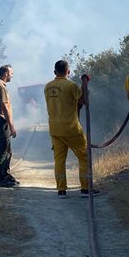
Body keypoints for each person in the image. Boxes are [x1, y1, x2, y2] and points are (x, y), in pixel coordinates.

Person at [44, 60, 100, 199]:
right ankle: (86, 189)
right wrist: (85, 84)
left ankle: (61, 190)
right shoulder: (71, 85)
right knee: (84, 156)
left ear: (54, 72)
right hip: (71, 128)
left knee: (59, 160)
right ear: (68, 72)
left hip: (55, 130)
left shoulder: (47, 87)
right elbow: (85, 101)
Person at [0, 64, 20, 187]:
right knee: (4, 151)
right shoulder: (1, 87)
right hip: (2, 123)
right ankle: (2, 178)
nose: (12, 75)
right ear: (6, 74)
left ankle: (5, 175)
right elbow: (4, 107)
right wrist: (12, 126)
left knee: (6, 150)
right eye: (11, 73)